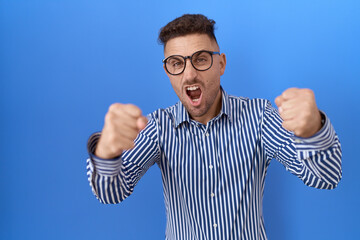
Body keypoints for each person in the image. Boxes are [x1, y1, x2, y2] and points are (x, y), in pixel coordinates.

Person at [86, 14, 342, 240]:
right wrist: (106, 153)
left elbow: (325, 178)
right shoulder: (157, 127)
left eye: (200, 59)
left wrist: (313, 132)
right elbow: (111, 193)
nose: (189, 75)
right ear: (168, 72)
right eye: (176, 63)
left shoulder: (260, 117)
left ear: (221, 64)